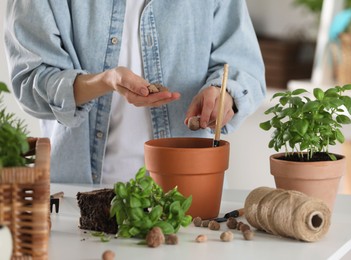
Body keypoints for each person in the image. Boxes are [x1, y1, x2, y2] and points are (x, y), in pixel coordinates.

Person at [4, 0, 266, 184]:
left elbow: (243, 65)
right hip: (79, 198)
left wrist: (222, 93)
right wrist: (104, 82)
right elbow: (30, 82)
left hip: (190, 200)